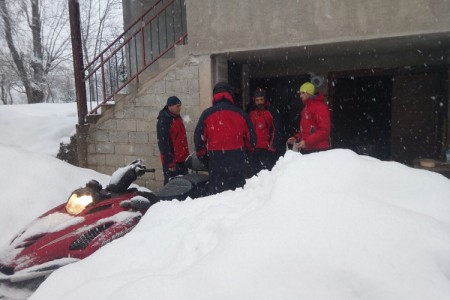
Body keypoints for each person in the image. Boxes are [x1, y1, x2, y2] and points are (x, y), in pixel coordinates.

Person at [194, 82, 256, 195]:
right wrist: (246, 155)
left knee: (218, 201)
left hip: (216, 165)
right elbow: (252, 141)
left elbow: (198, 140)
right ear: (230, 95)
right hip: (238, 164)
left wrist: (205, 158)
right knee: (238, 199)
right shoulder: (241, 114)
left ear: (214, 95)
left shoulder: (206, 114)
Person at [287, 82, 330, 153]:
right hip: (308, 149)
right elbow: (306, 130)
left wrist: (307, 142)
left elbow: (324, 131)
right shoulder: (306, 108)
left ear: (309, 93)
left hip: (319, 150)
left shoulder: (320, 107)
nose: (300, 96)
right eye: (300, 93)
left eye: (303, 93)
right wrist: (296, 138)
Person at [157, 96, 189, 184]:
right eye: (177, 106)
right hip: (172, 162)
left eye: (180, 106)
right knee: (171, 186)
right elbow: (163, 143)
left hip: (182, 160)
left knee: (184, 185)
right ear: (170, 106)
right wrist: (170, 162)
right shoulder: (164, 121)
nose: (180, 108)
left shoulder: (177, 118)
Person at [248, 87, 281, 175]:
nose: (259, 102)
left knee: (266, 175)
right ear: (254, 100)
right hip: (253, 149)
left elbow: (276, 130)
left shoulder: (272, 111)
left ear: (265, 99)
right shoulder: (250, 112)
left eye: (261, 100)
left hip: (266, 150)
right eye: (257, 100)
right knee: (253, 176)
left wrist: (272, 146)